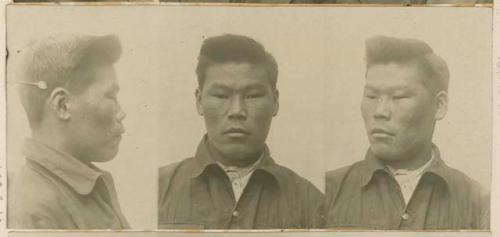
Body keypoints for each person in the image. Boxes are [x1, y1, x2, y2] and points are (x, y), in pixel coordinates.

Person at [158, 34, 324, 229]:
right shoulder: (158, 189)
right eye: (221, 95)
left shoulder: (310, 203)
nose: (237, 111)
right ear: (199, 100)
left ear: (275, 101)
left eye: (252, 96)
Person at [325, 35, 489, 230]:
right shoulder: (328, 191)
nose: (380, 112)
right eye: (371, 96)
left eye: (399, 97)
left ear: (439, 106)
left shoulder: (479, 203)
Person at [8, 35, 130, 229]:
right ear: (62, 105)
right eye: (110, 96)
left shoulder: (81, 187)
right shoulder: (35, 211)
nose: (121, 113)